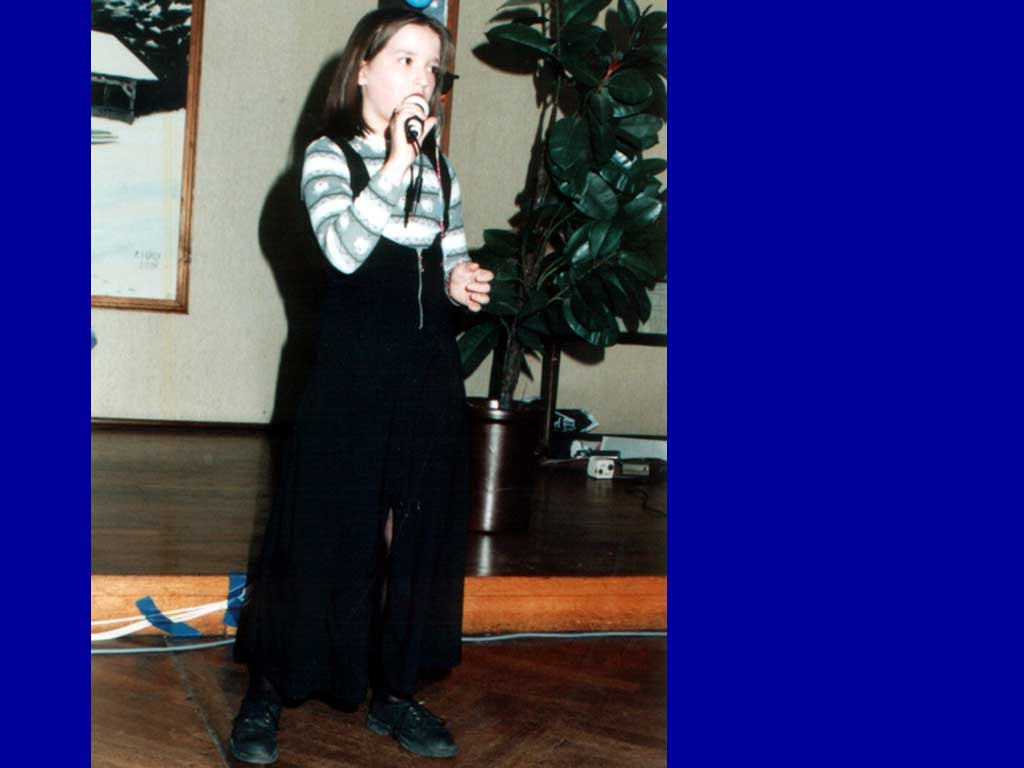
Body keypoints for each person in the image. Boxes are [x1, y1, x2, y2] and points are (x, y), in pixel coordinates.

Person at [230, 8, 493, 764]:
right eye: (405, 60)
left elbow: (449, 254)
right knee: (321, 527)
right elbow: (343, 254)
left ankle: (396, 693)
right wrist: (394, 164)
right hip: (348, 373)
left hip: (426, 372)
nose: (423, 78)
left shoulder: (442, 171)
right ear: (363, 70)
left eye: (432, 67)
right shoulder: (327, 157)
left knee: (415, 535)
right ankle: (268, 689)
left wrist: (461, 279)